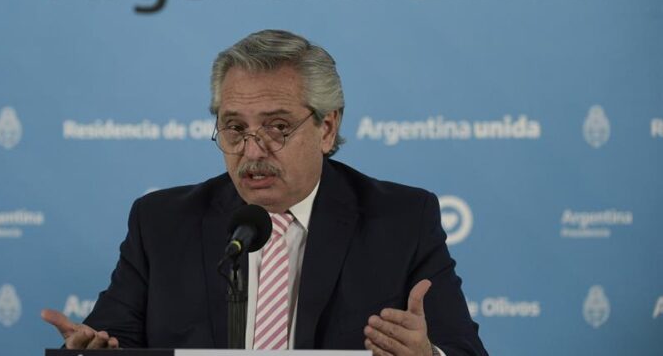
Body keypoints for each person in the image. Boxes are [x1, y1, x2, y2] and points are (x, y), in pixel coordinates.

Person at [42, 29, 488, 356]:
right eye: (235, 128)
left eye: (277, 127)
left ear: (327, 128)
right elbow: (111, 339)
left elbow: (464, 350)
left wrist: (429, 355)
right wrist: (89, 351)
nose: (252, 151)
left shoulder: (402, 220)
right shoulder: (161, 222)